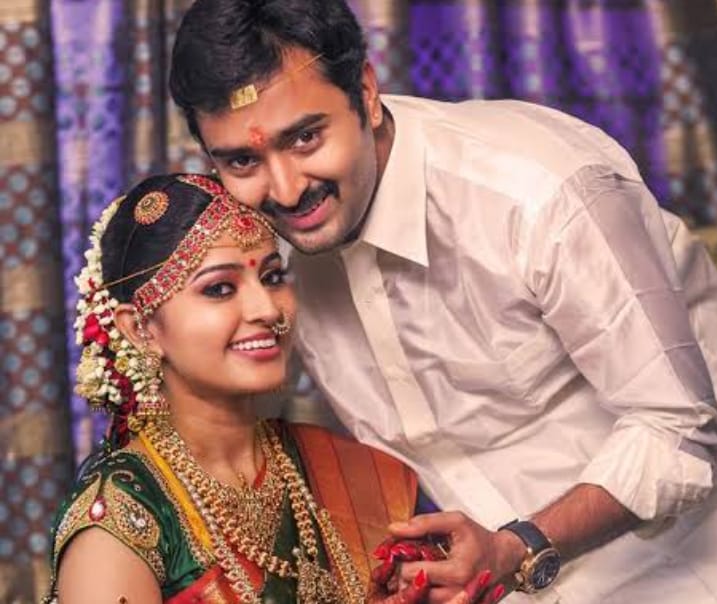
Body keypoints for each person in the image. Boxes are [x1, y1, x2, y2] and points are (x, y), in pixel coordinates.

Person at [167, 1, 717, 603]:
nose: (286, 188)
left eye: (305, 137)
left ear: (366, 93)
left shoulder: (536, 194)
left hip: (683, 574)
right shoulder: (258, 250)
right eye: (243, 160)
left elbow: (680, 431)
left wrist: (516, 547)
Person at [44, 173, 499, 604]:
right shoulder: (123, 518)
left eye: (272, 277)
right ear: (140, 328)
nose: (266, 308)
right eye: (220, 289)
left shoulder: (352, 471)